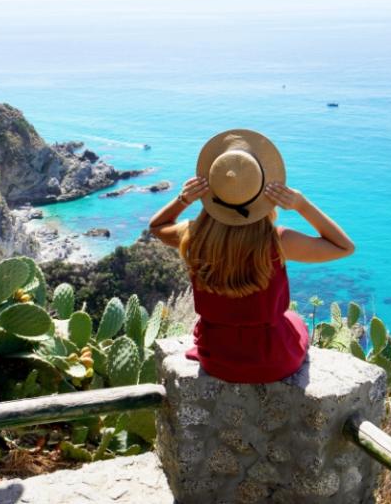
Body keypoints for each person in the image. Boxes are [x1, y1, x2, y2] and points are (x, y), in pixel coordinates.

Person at [148, 128, 355, 383]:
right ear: (262, 192)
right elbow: (344, 247)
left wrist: (183, 199)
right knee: (293, 319)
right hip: (273, 360)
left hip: (216, 357)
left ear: (212, 190)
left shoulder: (193, 236)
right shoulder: (277, 242)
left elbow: (156, 227)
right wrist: (302, 205)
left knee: (288, 320)